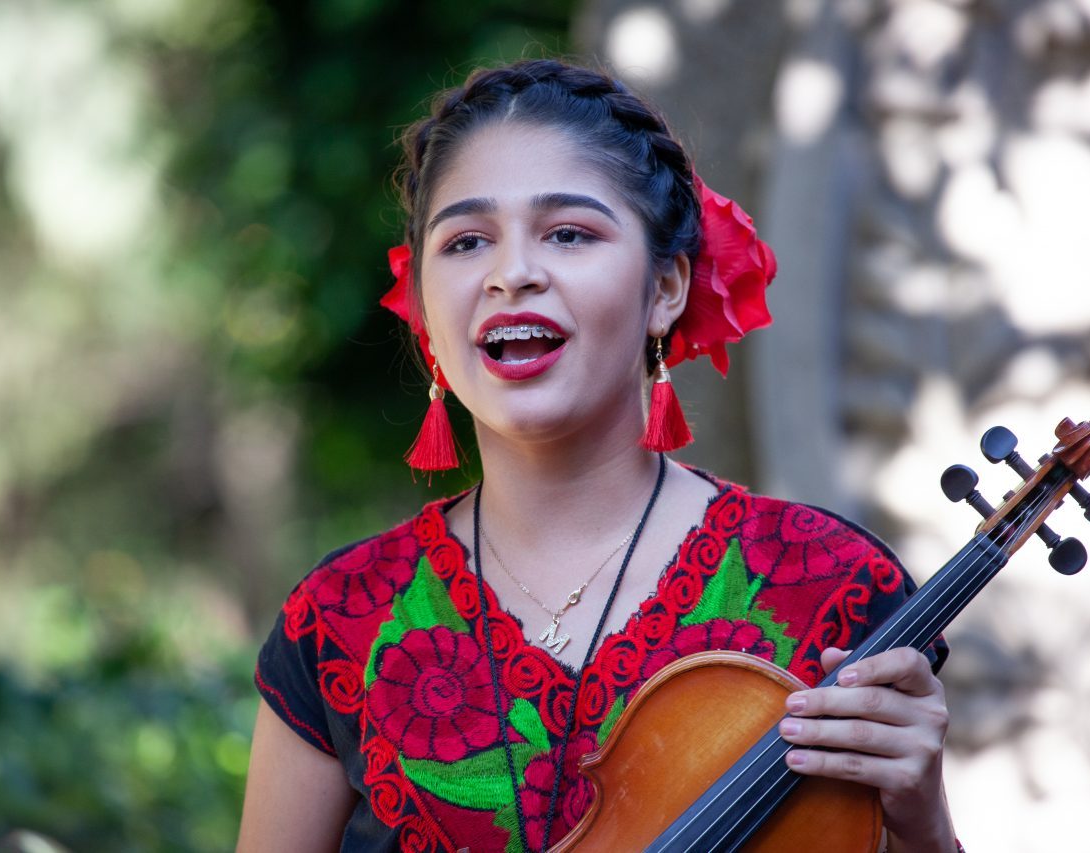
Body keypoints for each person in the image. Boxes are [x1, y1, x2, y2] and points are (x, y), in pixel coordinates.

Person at [237, 58, 957, 853]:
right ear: (424, 309)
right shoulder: (339, 619)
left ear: (666, 289)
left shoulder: (830, 588)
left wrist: (924, 825)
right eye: (467, 241)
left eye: (569, 234)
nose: (512, 274)